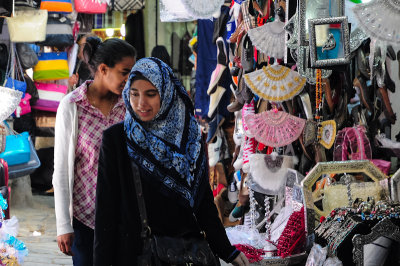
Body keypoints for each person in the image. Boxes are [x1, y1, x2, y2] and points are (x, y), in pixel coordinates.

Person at [94, 57, 249, 266]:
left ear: (166, 94)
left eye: (151, 94)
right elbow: (106, 213)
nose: (141, 104)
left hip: (187, 256)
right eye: (134, 94)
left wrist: (226, 251)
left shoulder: (189, 137)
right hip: (137, 256)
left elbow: (203, 202)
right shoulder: (116, 139)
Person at [53, 38, 136, 266]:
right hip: (85, 220)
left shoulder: (131, 105)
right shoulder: (72, 106)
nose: (129, 80)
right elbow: (61, 171)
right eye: (124, 72)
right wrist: (63, 225)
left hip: (125, 218)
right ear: (103, 69)